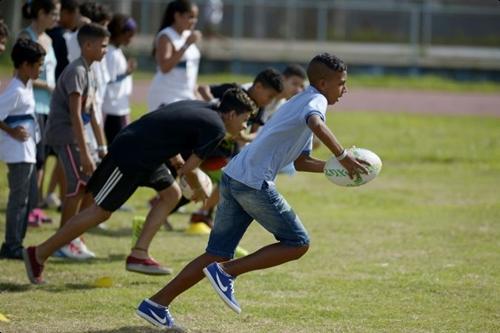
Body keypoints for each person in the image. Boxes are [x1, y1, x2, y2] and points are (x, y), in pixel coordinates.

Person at [135, 53, 370, 330]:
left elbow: (300, 161)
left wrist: (337, 170)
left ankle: (156, 304)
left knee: (216, 253)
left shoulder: (300, 101)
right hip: (253, 183)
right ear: (322, 82)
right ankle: (227, 273)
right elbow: (317, 124)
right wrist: (342, 155)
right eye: (342, 83)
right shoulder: (315, 101)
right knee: (297, 242)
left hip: (234, 177)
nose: (345, 89)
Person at [23, 87, 257, 284]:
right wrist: (200, 190)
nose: (245, 127)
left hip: (148, 154)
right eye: (245, 120)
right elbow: (189, 170)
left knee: (171, 194)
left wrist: (176, 161)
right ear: (231, 114)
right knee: (99, 212)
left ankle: (139, 253)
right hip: (130, 154)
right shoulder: (216, 127)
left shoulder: (204, 108)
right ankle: (38, 253)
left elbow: (167, 127)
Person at [42, 23, 109, 260]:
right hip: (65, 136)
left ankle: (75, 237)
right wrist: (83, 152)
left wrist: (101, 148)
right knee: (77, 185)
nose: (105, 50)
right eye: (102, 46)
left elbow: (92, 115)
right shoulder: (77, 71)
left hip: (77, 137)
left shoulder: (90, 71)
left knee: (91, 184)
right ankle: (63, 242)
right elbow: (75, 115)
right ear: (87, 46)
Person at [0, 39, 46, 260]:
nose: (41, 68)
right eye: (38, 64)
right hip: (18, 152)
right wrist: (11, 131)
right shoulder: (16, 90)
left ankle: (16, 242)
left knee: (26, 198)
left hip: (27, 151)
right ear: (26, 65)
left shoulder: (25, 85)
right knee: (18, 199)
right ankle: (11, 245)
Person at [19, 0, 60, 226]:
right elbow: (22, 74)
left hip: (47, 108)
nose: (56, 18)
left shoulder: (50, 39)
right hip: (30, 106)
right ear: (41, 13)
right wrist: (48, 87)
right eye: (53, 14)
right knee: (32, 160)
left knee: (42, 160)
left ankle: (35, 207)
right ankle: (26, 206)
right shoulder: (25, 37)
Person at [147, 0, 202, 111]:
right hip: (167, 95)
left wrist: (196, 92)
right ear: (177, 16)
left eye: (196, 17)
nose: (194, 21)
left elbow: (190, 69)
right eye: (190, 17)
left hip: (186, 94)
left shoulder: (187, 34)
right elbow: (164, 67)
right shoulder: (166, 36)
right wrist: (186, 45)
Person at [102, 13, 137, 144]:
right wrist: (127, 73)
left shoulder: (115, 50)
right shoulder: (111, 52)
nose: (131, 39)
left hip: (118, 106)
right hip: (114, 107)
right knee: (120, 146)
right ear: (121, 33)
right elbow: (108, 80)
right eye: (130, 35)